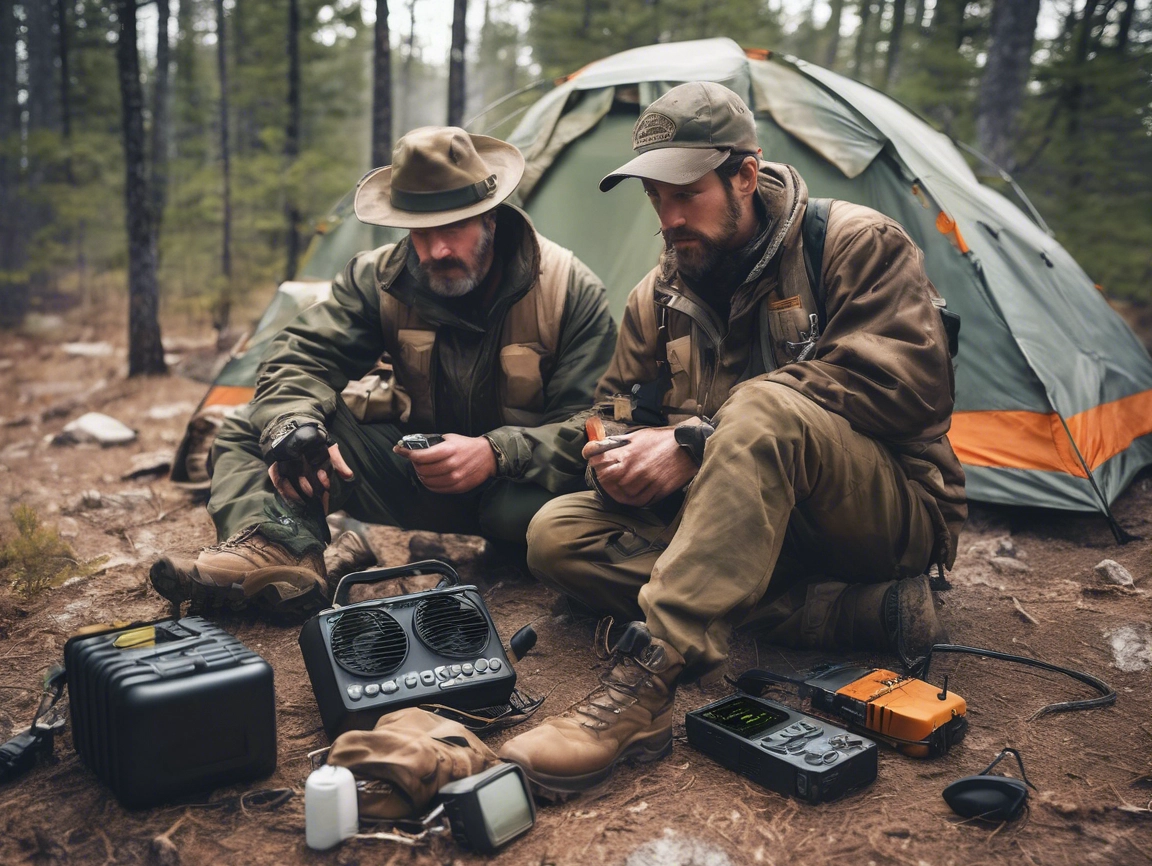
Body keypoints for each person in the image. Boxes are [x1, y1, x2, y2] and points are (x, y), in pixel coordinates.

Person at [497, 82, 967, 795]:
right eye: (655, 195)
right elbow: (614, 409)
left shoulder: (852, 244)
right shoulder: (656, 295)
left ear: (745, 174)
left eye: (686, 192)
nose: (669, 216)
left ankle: (648, 678)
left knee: (763, 410)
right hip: (745, 530)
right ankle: (845, 613)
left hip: (883, 510)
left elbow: (910, 390)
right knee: (557, 535)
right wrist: (614, 459)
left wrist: (694, 442)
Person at [150, 127, 617, 615]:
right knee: (252, 431)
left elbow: (594, 425)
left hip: (521, 493)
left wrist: (496, 453)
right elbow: (301, 355)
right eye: (421, 232)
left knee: (546, 516)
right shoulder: (380, 278)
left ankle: (515, 552)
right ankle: (282, 555)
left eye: (453, 228)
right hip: (418, 475)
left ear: (492, 218)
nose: (436, 250)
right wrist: (296, 427)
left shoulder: (569, 290)